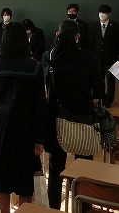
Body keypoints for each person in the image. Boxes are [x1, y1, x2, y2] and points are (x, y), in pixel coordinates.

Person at [0, 22, 47, 213]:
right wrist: (40, 138)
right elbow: (39, 105)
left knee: (3, 175)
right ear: (25, 40)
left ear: (4, 40)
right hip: (26, 126)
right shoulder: (35, 66)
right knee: (25, 176)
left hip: (2, 123)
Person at [42, 20, 104, 209]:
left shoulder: (48, 56)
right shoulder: (87, 56)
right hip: (82, 118)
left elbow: (45, 85)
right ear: (78, 36)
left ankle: (53, 208)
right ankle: (83, 207)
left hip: (55, 118)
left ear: (57, 34)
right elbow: (99, 89)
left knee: (55, 169)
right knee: (84, 167)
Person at [89, 4, 119, 108]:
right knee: (99, 80)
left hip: (110, 59)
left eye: (104, 13)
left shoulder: (115, 26)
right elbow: (92, 42)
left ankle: (109, 101)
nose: (102, 14)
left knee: (110, 81)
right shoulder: (94, 26)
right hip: (97, 59)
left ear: (109, 14)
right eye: (100, 12)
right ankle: (101, 98)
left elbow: (118, 42)